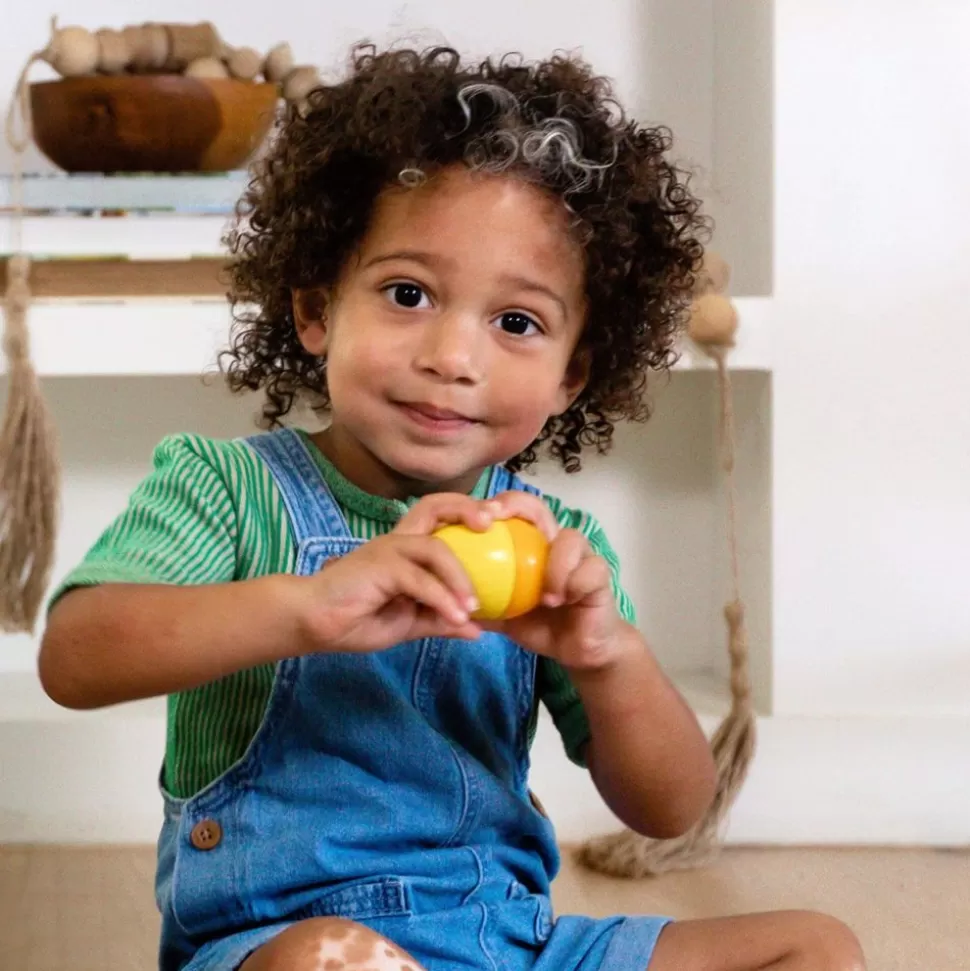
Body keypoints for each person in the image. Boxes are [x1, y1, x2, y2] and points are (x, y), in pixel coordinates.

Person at [40, 44, 866, 971]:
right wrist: (309, 604)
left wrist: (608, 657)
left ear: (572, 373)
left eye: (516, 323)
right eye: (407, 293)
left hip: (512, 943)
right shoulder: (224, 489)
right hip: (278, 942)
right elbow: (76, 657)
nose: (452, 356)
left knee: (813, 945)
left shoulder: (556, 548)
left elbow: (672, 808)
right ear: (317, 311)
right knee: (329, 957)